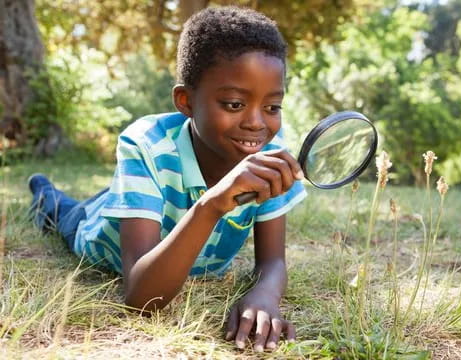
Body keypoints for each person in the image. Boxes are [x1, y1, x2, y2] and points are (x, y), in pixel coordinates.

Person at [28, 6, 307, 352]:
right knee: (60, 212)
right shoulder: (145, 144)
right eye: (234, 104)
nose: (256, 123)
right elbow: (141, 298)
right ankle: (44, 192)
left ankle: (116, 193)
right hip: (95, 229)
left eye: (272, 107)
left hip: (152, 204)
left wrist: (264, 295)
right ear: (186, 101)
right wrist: (211, 204)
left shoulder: (269, 154)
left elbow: (272, 261)